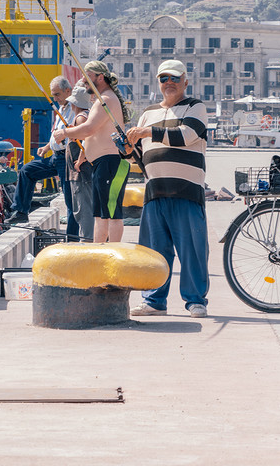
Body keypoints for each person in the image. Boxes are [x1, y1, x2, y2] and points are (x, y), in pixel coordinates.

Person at [126, 59, 210, 318]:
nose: (169, 83)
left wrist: (146, 132)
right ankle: (154, 301)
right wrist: (128, 148)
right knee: (152, 252)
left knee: (192, 251)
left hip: (186, 191)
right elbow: (137, 157)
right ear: (158, 83)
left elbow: (186, 136)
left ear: (185, 81)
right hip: (154, 193)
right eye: (164, 78)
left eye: (174, 78)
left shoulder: (196, 107)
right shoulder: (148, 112)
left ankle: (196, 301)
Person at [53, 61, 130, 242]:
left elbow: (89, 129)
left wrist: (64, 132)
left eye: (88, 78)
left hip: (109, 163)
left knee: (111, 214)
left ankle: (111, 252)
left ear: (100, 77)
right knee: (100, 215)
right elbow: (92, 136)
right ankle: (99, 251)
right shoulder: (102, 100)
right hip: (101, 164)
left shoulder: (106, 100)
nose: (83, 81)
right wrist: (82, 156)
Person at [6, 76, 73, 223]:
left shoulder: (74, 110)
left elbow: (72, 134)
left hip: (67, 157)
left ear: (68, 91)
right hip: (56, 156)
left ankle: (73, 237)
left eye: (57, 94)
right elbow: (57, 134)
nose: (55, 98)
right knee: (27, 171)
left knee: (70, 198)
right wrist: (47, 147)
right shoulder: (61, 109)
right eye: (53, 94)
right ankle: (21, 212)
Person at [64, 84, 95, 242]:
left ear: (74, 103)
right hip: (82, 173)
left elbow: (87, 140)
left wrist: (80, 160)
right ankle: (88, 239)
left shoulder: (81, 117)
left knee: (83, 210)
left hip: (80, 173)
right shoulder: (87, 115)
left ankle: (87, 241)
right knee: (83, 209)